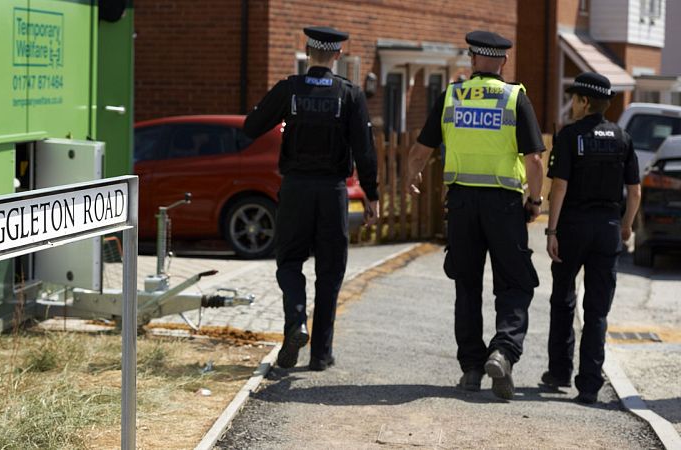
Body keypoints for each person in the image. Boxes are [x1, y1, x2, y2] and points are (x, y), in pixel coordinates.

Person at [407, 30, 545, 399]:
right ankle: (503, 351)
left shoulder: (452, 96)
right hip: (504, 205)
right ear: (504, 61)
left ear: (472, 59)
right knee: (515, 283)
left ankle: (471, 368)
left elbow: (420, 151)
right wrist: (535, 201)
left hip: (462, 205)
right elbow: (534, 160)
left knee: (467, 285)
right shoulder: (514, 97)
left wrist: (412, 176)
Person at [243, 26, 379, 371]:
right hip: (332, 192)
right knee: (330, 272)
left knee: (290, 262)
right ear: (338, 55)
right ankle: (320, 354)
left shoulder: (289, 89)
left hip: (295, 189)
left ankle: (296, 323)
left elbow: (251, 126)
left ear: (308, 52)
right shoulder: (349, 94)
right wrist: (372, 195)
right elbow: (365, 150)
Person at [541, 72, 641, 404]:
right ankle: (589, 386)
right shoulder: (623, 138)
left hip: (573, 227)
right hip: (607, 228)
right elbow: (635, 191)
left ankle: (559, 372)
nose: (572, 104)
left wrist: (551, 230)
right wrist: (626, 225)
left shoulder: (570, 136)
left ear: (585, 102)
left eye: (574, 99)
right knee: (597, 310)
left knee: (563, 299)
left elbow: (559, 186)